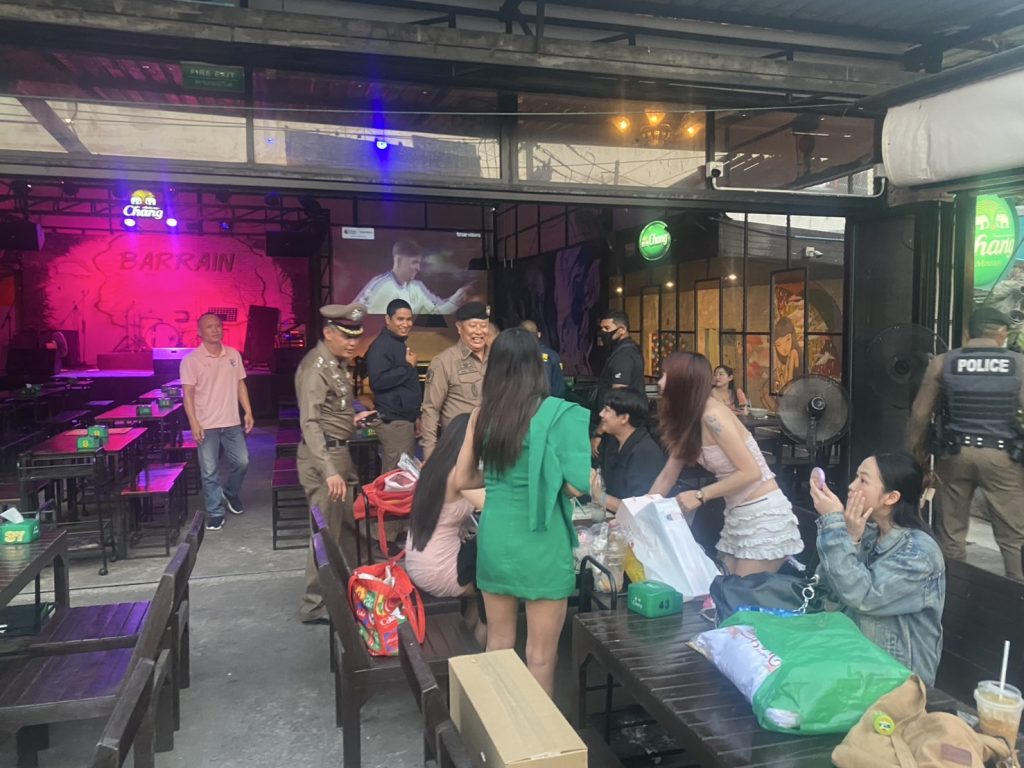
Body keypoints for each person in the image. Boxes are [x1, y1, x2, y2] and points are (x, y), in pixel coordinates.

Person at [453, 328, 590, 696]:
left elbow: (462, 478)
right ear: (536, 365)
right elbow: (576, 486)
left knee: (498, 643)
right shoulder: (561, 414)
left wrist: (498, 477)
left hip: (496, 537)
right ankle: (537, 730)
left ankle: (498, 724)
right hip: (543, 539)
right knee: (541, 657)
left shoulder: (482, 415)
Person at [649, 351, 803, 576]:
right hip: (737, 516)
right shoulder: (689, 418)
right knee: (722, 589)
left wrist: (701, 495)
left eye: (666, 376)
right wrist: (636, 516)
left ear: (685, 381)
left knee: (738, 593)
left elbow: (751, 472)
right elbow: (667, 476)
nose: (660, 383)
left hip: (764, 516)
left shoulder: (713, 416)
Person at [907, 306, 1024, 582]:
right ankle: (1017, 593)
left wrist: (917, 458)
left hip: (954, 455)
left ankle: (952, 593)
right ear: (1001, 333)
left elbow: (920, 414)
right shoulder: (1018, 364)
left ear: (968, 333)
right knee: (1013, 537)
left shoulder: (943, 362)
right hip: (1003, 457)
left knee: (951, 534)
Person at [809, 452, 945, 684]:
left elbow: (863, 596)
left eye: (863, 480)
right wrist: (850, 538)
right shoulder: (868, 531)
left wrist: (834, 524)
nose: (852, 486)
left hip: (895, 677)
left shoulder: (919, 554)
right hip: (852, 657)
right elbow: (827, 588)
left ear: (891, 497)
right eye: (856, 477)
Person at [295, 303, 377, 624]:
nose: (353, 342)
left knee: (348, 528)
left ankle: (349, 588)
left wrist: (352, 420)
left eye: (356, 336)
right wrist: (329, 471)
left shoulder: (336, 364)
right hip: (324, 459)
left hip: (340, 453)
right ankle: (314, 604)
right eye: (346, 336)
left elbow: (332, 412)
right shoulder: (315, 369)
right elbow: (310, 423)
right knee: (326, 532)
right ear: (328, 333)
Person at [180, 312, 254, 532]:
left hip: (231, 422)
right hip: (206, 425)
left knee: (243, 462)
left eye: (218, 326)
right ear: (200, 332)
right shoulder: (191, 360)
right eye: (209, 327)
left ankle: (230, 492)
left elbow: (240, 384)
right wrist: (193, 422)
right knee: (209, 471)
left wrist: (248, 411)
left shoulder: (233, 355)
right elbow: (188, 394)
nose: (215, 330)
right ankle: (215, 512)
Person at [405, 413, 483, 599]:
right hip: (440, 568)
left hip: (418, 557)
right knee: (497, 574)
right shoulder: (458, 475)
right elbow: (494, 505)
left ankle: (477, 614)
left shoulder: (435, 465)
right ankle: (491, 615)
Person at [420, 302, 489, 460]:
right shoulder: (444, 362)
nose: (479, 331)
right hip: (458, 448)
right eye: (473, 326)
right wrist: (429, 455)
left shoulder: (497, 358)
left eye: (483, 326)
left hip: (492, 447)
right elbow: (430, 410)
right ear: (459, 328)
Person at [364, 299, 420, 471]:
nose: (406, 324)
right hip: (394, 421)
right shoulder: (382, 346)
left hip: (403, 420)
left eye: (409, 319)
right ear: (388, 319)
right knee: (397, 476)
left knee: (402, 473)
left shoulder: (396, 343)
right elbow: (377, 382)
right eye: (400, 319)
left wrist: (415, 415)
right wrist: (407, 366)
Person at [351, 239, 473, 315]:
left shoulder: (416, 287)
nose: (418, 268)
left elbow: (436, 312)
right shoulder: (383, 287)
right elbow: (364, 322)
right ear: (399, 261)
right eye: (414, 262)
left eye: (419, 263)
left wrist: (457, 298)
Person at [592, 387, 665, 512]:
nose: (601, 414)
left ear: (624, 418)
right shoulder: (614, 442)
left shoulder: (645, 452)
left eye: (607, 410)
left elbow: (641, 508)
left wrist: (600, 496)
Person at [595, 309, 645, 411]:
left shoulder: (624, 355)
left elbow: (618, 394)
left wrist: (609, 416)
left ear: (622, 330)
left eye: (607, 328)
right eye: (601, 328)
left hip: (620, 416)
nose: (602, 332)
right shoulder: (625, 350)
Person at [521, 319, 566, 398]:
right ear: (539, 334)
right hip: (551, 402)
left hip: (534, 402)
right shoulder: (552, 355)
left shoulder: (518, 354)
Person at [773, 316, 803, 392]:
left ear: (792, 337)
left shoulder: (793, 353)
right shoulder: (784, 358)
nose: (784, 347)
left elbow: (788, 385)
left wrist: (780, 375)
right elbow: (778, 386)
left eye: (787, 339)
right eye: (778, 345)